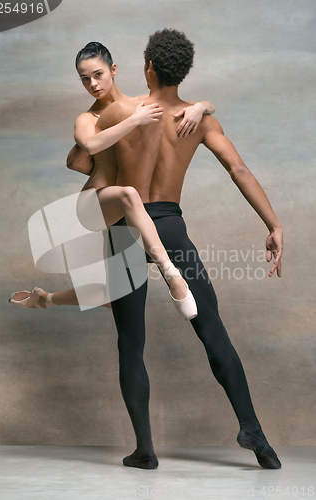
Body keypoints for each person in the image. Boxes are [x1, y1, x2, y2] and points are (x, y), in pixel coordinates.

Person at [84, 29, 282, 470]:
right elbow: (239, 168)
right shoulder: (198, 120)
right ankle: (254, 433)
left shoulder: (120, 111)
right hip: (170, 226)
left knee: (131, 343)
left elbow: (81, 157)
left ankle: (145, 451)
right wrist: (273, 224)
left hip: (124, 226)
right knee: (212, 328)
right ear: (183, 70)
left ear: (148, 66)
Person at [9, 42, 215, 319]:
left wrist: (201, 106)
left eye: (98, 74)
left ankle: (46, 299)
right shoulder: (88, 118)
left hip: (127, 211)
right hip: (95, 202)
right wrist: (133, 121)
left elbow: (184, 104)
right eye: (85, 79)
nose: (92, 84)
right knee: (128, 193)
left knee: (115, 294)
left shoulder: (138, 104)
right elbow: (91, 147)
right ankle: (172, 274)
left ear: (113, 70)